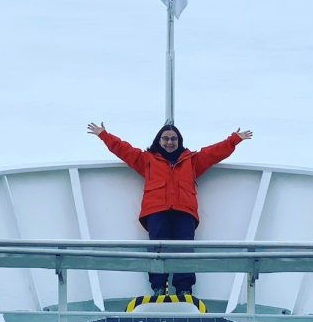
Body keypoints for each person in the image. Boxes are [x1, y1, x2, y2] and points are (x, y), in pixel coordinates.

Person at [87, 121, 253, 297]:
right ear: (158, 140)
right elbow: (122, 149)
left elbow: (213, 153)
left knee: (185, 250)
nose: (169, 142)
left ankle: (184, 288)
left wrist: (234, 139)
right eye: (165, 138)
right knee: (157, 250)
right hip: (156, 211)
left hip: (184, 211)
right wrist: (103, 134)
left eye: (173, 138)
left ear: (179, 141)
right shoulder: (146, 160)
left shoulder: (192, 161)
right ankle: (159, 287)